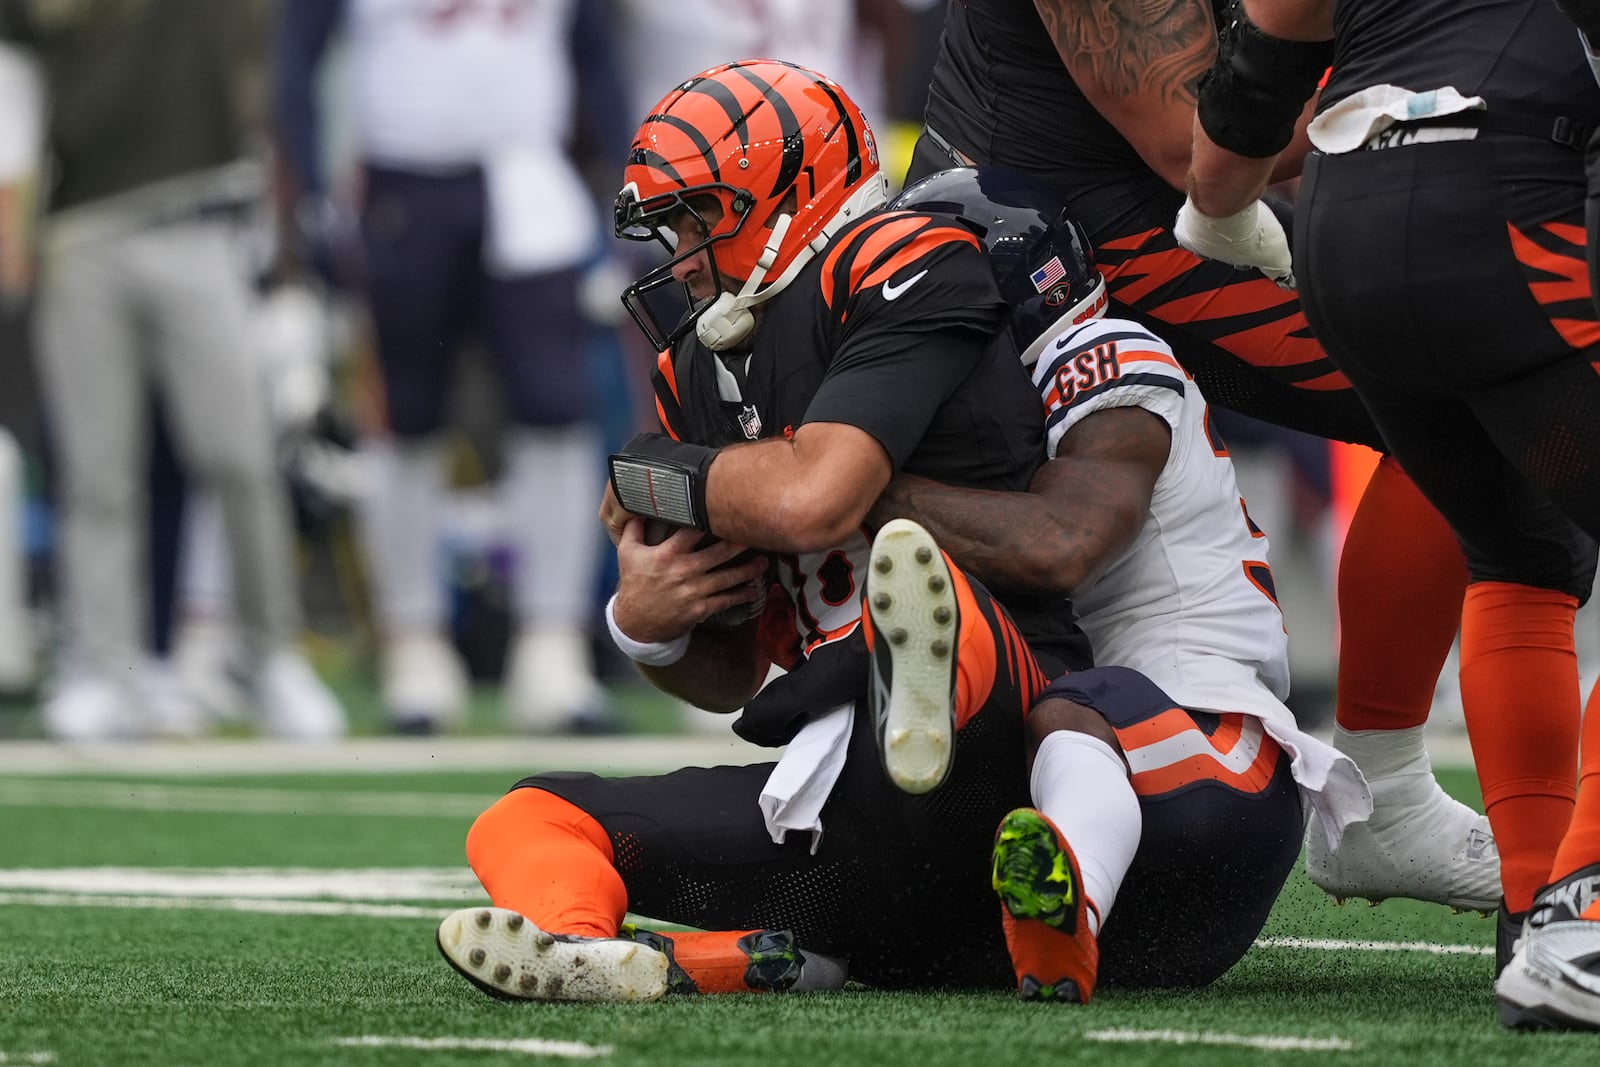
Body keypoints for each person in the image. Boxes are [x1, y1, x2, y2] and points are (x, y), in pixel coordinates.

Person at [434, 61, 1360, 1005]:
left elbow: (1053, 542)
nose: (683, 254)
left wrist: (794, 484)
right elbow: (733, 653)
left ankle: (1047, 887)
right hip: (898, 811)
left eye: (698, 221)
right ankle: (609, 950)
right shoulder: (764, 376)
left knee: (1057, 692)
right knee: (533, 811)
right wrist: (645, 617)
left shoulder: (1095, 356)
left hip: (1182, 735)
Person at [901, 0, 1496, 916]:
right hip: (1073, 235)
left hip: (1170, 195)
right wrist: (1447, 65)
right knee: (1476, 381)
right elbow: (1198, 143)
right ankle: (1385, 795)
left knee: (1489, 331)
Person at [1178, 0, 1600, 1030]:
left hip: (1348, 235)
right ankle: (1582, 918)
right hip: (1502, 212)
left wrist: (1222, 207)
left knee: (1518, 550)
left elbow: (1258, 67)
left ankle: (1534, 907)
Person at [275, 0, 630, 734]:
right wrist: (312, 198)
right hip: (401, 179)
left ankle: (552, 644)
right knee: (406, 420)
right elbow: (298, 58)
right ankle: (415, 642)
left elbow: (596, 52)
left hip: (530, 178)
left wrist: (627, 192)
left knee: (557, 410)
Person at [0, 0, 346, 742]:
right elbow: (16, 73)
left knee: (238, 457)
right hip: (78, 231)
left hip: (200, 219)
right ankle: (105, 668)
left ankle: (270, 655)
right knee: (98, 474)